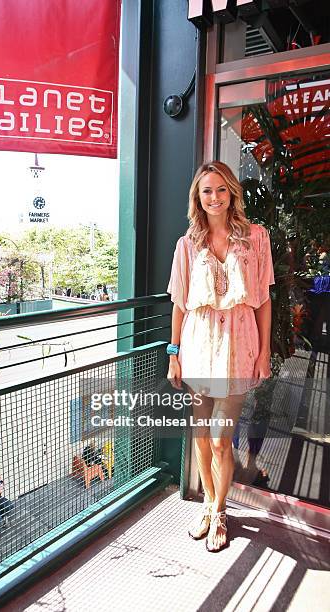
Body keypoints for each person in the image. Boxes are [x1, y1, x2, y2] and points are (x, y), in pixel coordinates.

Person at [167, 161, 274, 552]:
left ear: (232, 193)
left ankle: (221, 509)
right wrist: (173, 353)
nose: (214, 198)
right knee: (200, 435)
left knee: (219, 439)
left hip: (238, 347)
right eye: (206, 191)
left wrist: (264, 351)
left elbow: (262, 300)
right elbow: (179, 304)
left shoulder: (255, 239)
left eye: (221, 190)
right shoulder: (187, 244)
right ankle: (210, 507)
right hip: (197, 346)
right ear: (198, 197)